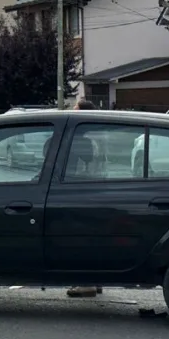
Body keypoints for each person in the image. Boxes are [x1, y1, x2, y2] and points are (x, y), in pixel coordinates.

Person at [68, 96, 103, 298]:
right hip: (97, 191)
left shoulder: (83, 138)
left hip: (82, 193)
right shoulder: (98, 133)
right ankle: (96, 280)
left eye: (75, 108)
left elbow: (79, 165)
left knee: (78, 239)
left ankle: (85, 283)